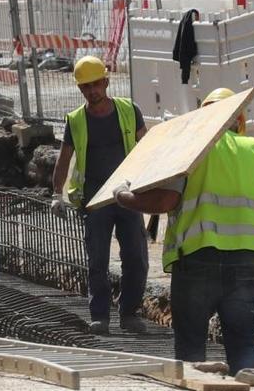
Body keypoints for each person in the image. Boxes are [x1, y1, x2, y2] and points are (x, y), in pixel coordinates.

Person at [112, 87, 254, 376]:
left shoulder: (191, 151)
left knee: (191, 353)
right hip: (246, 265)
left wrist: (124, 196)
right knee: (244, 346)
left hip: (196, 264)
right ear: (240, 121)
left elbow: (165, 201)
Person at [50, 55, 149, 335]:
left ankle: (129, 313)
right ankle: (100, 316)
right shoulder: (76, 120)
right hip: (94, 201)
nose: (92, 91)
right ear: (80, 89)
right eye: (86, 87)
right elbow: (64, 159)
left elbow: (148, 145)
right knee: (97, 260)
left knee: (136, 258)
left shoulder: (129, 110)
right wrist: (57, 193)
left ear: (106, 82)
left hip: (128, 196)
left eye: (96, 85)